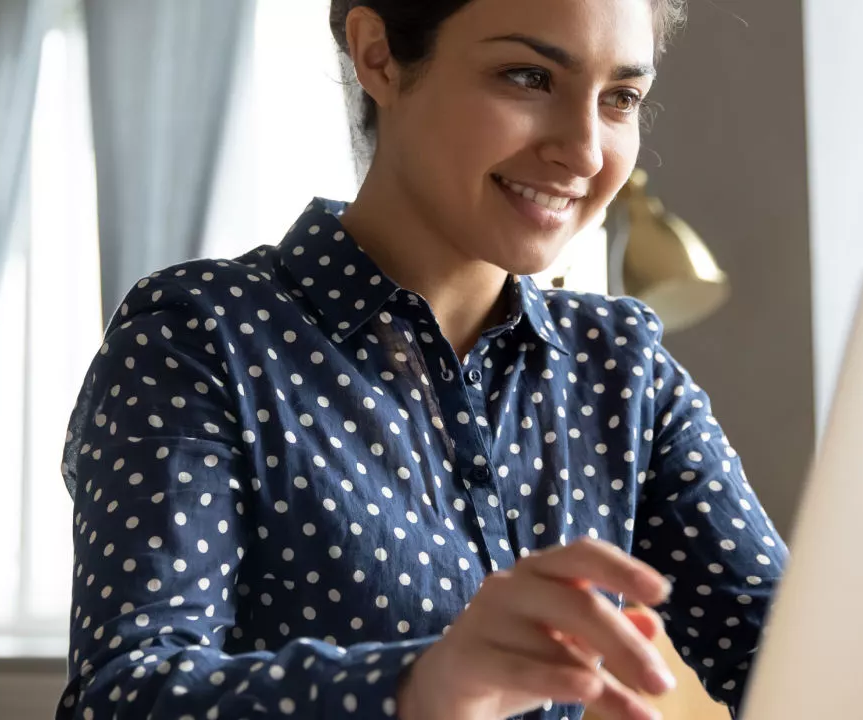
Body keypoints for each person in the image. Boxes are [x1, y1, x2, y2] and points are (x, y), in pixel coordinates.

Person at [58, 0, 788, 717]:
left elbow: (789, 656)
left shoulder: (622, 369)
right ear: (377, 53)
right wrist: (418, 688)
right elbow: (127, 695)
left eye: (621, 97)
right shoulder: (200, 339)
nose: (587, 150)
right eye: (528, 77)